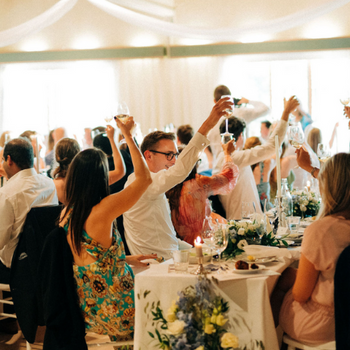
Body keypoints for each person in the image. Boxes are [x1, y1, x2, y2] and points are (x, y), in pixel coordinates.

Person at [59, 117, 156, 340]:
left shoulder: (67, 213)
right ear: (99, 177)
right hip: (118, 310)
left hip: (89, 310)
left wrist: (127, 258)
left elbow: (91, 259)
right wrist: (128, 136)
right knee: (169, 303)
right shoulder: (104, 209)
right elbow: (144, 179)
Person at [123, 97, 234, 259]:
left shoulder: (152, 182)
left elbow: (168, 240)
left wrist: (200, 250)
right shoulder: (142, 183)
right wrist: (210, 123)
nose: (174, 160)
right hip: (157, 266)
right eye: (169, 155)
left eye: (175, 155)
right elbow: (180, 170)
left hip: (169, 257)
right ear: (148, 155)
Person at [274, 153, 350, 345]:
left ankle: (266, 342)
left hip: (324, 325)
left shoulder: (322, 231)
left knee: (277, 286)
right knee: (291, 274)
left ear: (328, 187)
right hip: (346, 318)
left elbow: (300, 295)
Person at [213, 96, 299, 220]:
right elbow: (272, 147)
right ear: (241, 136)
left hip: (239, 220)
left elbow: (273, 149)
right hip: (244, 222)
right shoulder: (235, 157)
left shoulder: (222, 157)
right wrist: (285, 113)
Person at [0, 137, 58, 283]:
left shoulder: (7, 193)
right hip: (45, 262)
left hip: (16, 268)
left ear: (9, 159)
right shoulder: (49, 184)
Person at [166, 140, 239, 245]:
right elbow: (228, 176)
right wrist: (227, 154)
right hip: (203, 242)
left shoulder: (169, 187)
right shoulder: (197, 184)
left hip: (181, 244)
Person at [207, 85, 270, 160]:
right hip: (241, 161)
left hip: (219, 166)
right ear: (230, 98)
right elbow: (266, 109)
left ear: (215, 101)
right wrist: (247, 101)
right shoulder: (241, 112)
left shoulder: (210, 122)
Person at [244, 136, 275, 211]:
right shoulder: (266, 165)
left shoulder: (244, 168)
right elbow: (278, 152)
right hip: (266, 212)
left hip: (249, 210)